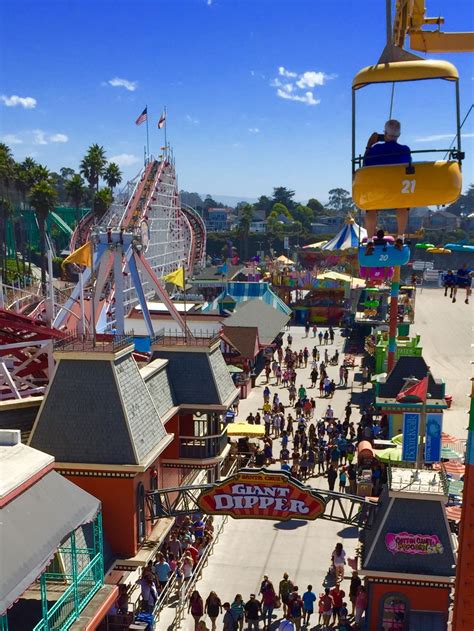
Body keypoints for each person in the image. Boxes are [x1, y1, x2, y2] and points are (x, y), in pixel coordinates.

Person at [363, 119, 411, 251]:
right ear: (399, 135)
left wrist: (369, 145)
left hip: (378, 191)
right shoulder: (405, 150)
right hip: (398, 191)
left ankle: (370, 240)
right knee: (403, 206)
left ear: (385, 134)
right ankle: (400, 237)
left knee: (370, 208)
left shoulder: (376, 149)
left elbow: (365, 166)